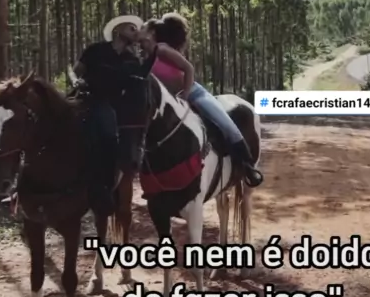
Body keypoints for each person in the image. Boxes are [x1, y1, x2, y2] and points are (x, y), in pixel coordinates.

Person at [139, 13, 263, 188]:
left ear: (151, 33)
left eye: (142, 28)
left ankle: (248, 165)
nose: (139, 31)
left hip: (193, 94)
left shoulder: (162, 49)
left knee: (226, 124)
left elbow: (188, 68)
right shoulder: (145, 57)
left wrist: (185, 94)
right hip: (170, 103)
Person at [73, 15, 145, 214]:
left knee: (112, 133)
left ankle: (105, 187)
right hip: (89, 98)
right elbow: (76, 71)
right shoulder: (96, 50)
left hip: (116, 105)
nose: (135, 33)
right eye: (131, 28)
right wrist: (76, 81)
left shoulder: (132, 60)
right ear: (118, 30)